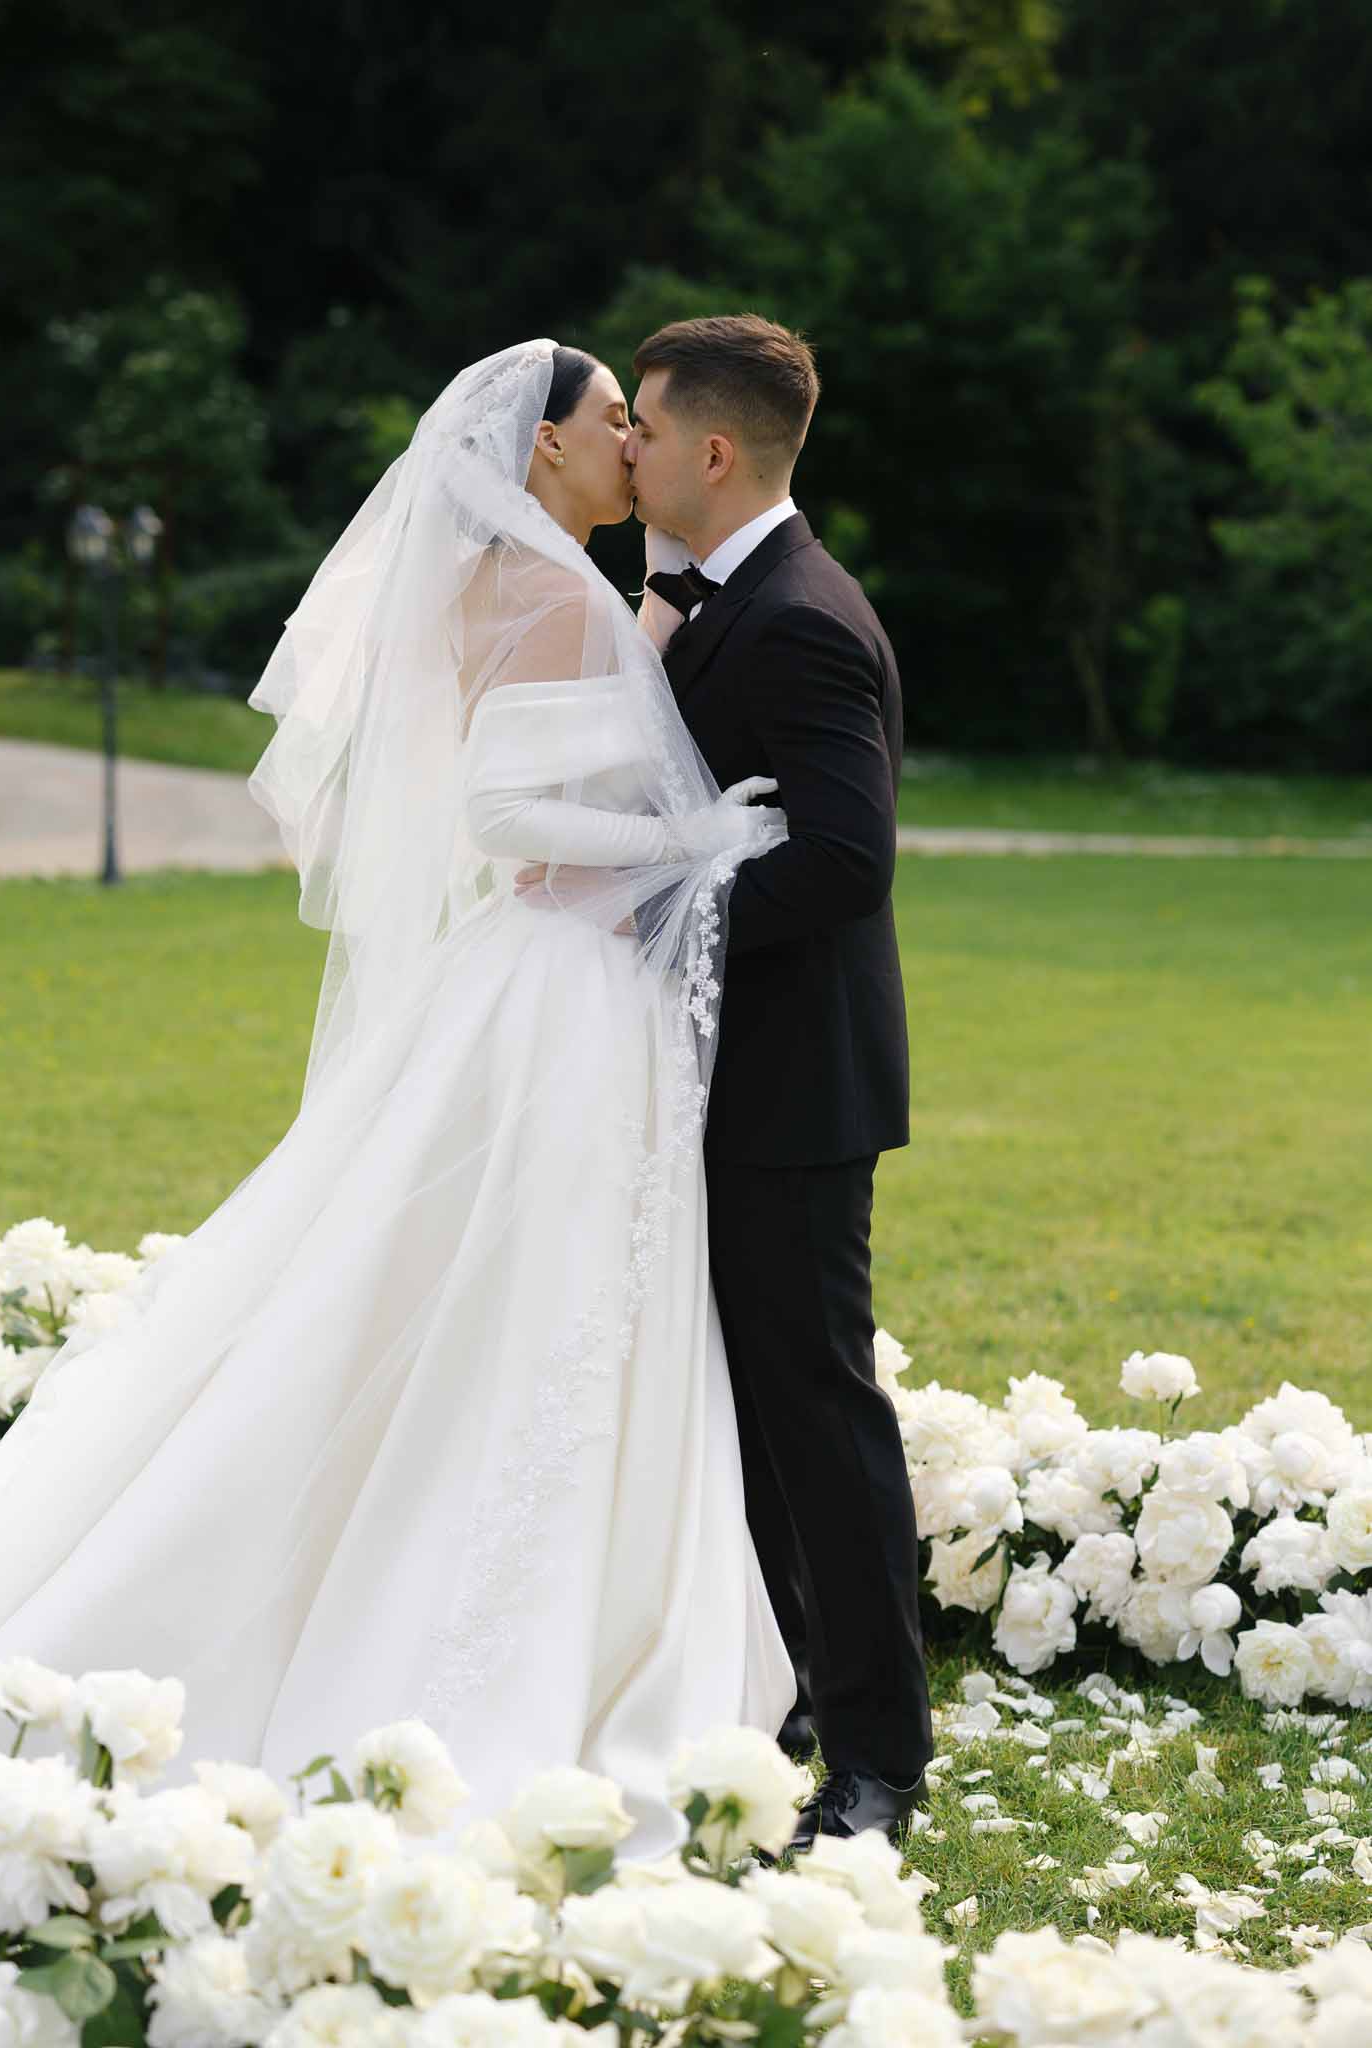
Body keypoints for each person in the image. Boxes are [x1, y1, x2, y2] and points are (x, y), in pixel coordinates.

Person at [0, 341, 795, 1854]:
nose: (632, 441)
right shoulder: (553, 592)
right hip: (556, 991)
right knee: (537, 1283)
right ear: (542, 449)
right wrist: (693, 841)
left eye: (640, 421)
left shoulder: (520, 583)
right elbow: (504, 813)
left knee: (459, 1278)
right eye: (610, 419)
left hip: (533, 979)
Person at [624, 314, 932, 1846]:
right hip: (720, 1082)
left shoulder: (801, 615)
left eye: (650, 428)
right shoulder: (708, 605)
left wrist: (642, 910)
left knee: (816, 1410)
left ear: (715, 452)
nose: (631, 451)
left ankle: (878, 1760)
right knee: (751, 1410)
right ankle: (797, 1683)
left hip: (791, 1094)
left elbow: (841, 861)